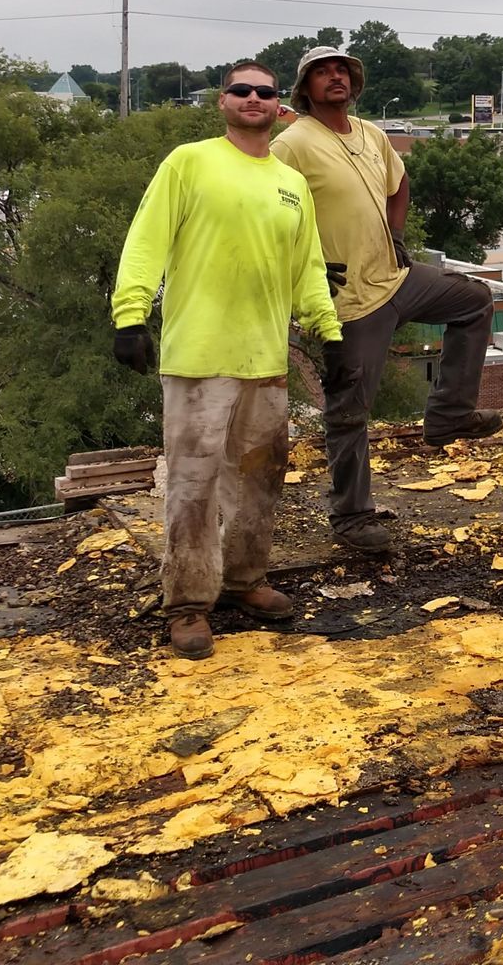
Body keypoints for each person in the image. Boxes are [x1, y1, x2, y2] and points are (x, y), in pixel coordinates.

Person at [112, 61, 347, 659]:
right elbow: (146, 240)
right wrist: (130, 315)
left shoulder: (291, 184)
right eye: (241, 90)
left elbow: (308, 268)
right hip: (198, 357)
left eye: (264, 92)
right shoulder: (189, 162)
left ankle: (245, 581)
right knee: (192, 483)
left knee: (261, 479)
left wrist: (329, 332)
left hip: (265, 358)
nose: (253, 98)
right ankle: (189, 604)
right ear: (223, 101)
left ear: (278, 106)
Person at [270, 45, 502, 555]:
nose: (335, 77)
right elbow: (267, 214)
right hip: (348, 298)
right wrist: (301, 270)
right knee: (349, 410)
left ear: (354, 83)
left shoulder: (372, 134)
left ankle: (449, 414)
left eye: (342, 71)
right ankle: (352, 518)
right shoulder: (292, 145)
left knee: (475, 301)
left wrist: (396, 233)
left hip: (396, 277)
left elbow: (401, 185)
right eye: (322, 72)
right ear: (304, 88)